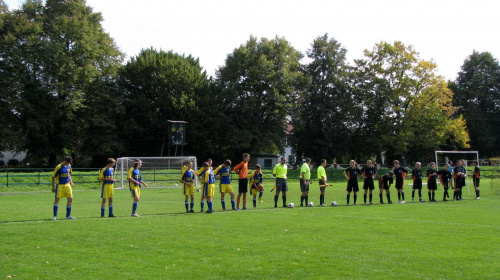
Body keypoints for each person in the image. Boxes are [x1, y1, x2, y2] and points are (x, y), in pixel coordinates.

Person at [52, 156, 76, 220]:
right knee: (57, 199)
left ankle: (68, 216)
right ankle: (55, 216)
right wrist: (53, 187)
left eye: (69, 163)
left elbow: (69, 174)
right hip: (60, 185)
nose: (68, 164)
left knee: (70, 199)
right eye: (67, 163)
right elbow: (53, 176)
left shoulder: (69, 166)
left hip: (67, 184)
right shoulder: (59, 167)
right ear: (65, 161)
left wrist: (71, 182)